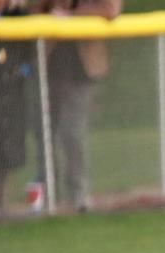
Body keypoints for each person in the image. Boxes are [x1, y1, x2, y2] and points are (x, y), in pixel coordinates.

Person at [33, 0, 121, 212]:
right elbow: (35, 9)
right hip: (51, 61)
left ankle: (78, 193)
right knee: (45, 131)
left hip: (82, 66)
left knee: (72, 132)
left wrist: (71, 15)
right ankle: (47, 192)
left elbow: (110, 10)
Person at [0, 0, 32, 211]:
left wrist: (22, 71)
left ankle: (1, 200)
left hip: (11, 89)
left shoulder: (17, 11)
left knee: (9, 140)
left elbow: (30, 54)